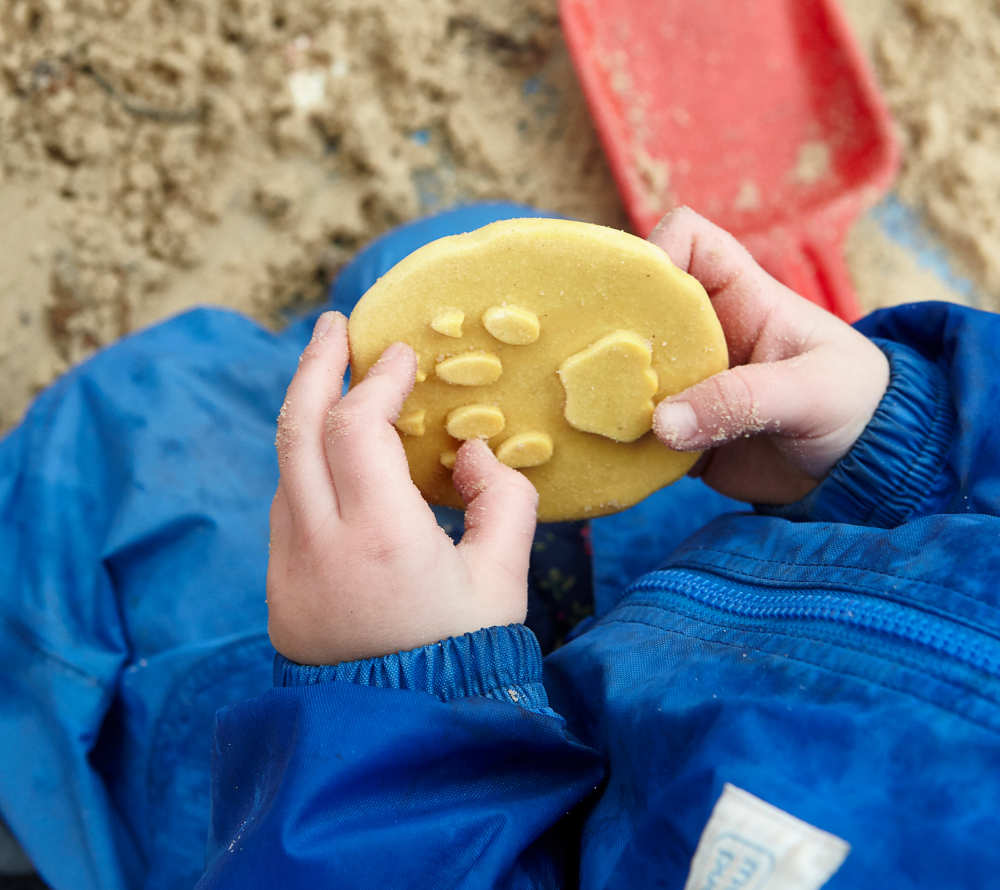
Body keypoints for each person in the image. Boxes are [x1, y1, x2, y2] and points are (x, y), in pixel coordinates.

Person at [2, 202, 999, 890]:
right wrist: (899, 450)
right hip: (738, 590)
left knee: (121, 439)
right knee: (450, 254)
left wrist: (394, 698)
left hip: (409, 819)